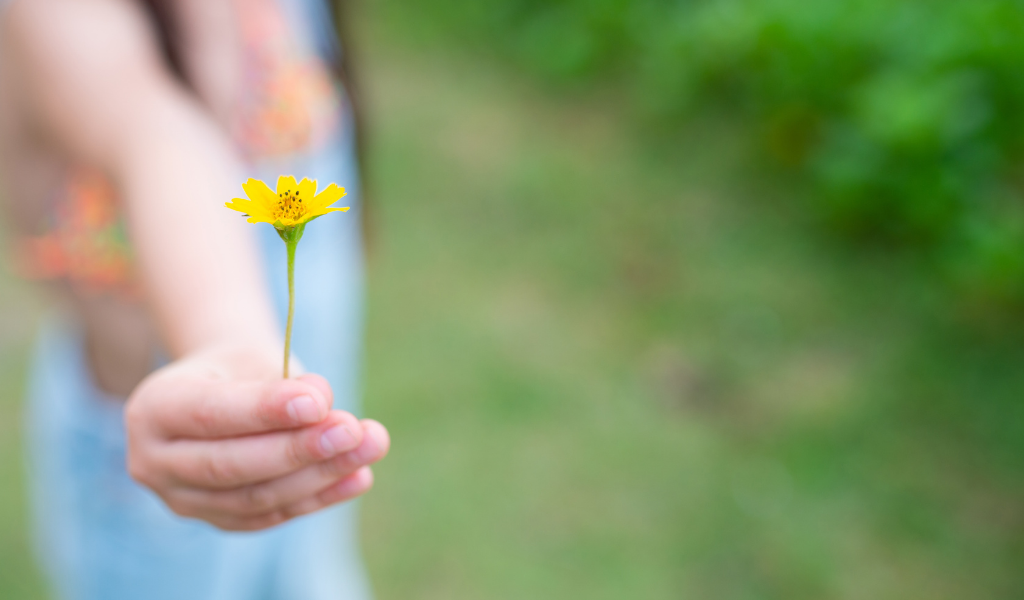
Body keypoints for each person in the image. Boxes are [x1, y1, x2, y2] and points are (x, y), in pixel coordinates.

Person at [0, 0, 389, 598]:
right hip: (166, 434)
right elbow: (159, 137)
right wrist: (228, 341)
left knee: (312, 576)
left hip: (304, 387)